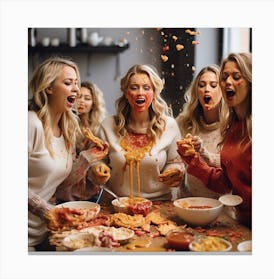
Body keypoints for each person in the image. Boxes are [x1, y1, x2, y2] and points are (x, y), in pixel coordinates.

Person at [28, 57, 108, 251]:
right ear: (48, 87)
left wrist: (87, 160)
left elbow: (62, 186)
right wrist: (44, 209)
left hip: (46, 232)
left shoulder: (68, 128)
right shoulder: (30, 123)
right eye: (68, 83)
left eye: (77, 83)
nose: (76, 90)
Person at [177, 53, 252, 228]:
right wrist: (194, 161)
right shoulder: (233, 127)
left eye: (236, 77)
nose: (227, 82)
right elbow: (225, 183)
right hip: (240, 222)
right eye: (224, 77)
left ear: (250, 81)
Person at [98, 64, 185, 201]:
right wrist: (98, 168)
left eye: (146, 88)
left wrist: (173, 172)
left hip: (159, 203)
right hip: (117, 203)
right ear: (126, 93)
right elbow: (98, 161)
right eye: (134, 87)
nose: (140, 93)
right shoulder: (108, 125)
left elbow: (175, 162)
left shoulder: (169, 126)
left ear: (154, 92)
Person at [55, 81, 110, 203]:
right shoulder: (62, 126)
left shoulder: (99, 129)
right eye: (79, 96)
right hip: (65, 192)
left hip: (91, 192)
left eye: (87, 98)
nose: (82, 101)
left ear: (94, 103)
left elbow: (101, 161)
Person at [176, 64, 226, 198]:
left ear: (223, 90)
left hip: (221, 208)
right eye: (201, 85)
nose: (206, 90)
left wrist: (202, 151)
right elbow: (176, 162)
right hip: (187, 202)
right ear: (196, 91)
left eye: (213, 85)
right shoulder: (183, 123)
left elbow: (229, 165)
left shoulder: (231, 126)